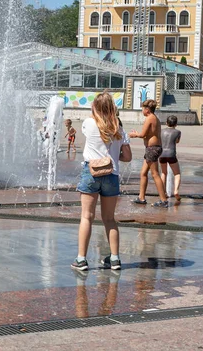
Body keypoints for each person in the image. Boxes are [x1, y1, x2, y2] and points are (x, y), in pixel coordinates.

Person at [72, 91, 132, 271]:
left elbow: (94, 119)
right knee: (109, 219)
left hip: (91, 173)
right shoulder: (119, 128)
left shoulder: (89, 123)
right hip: (111, 174)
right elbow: (128, 157)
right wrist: (113, 156)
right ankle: (114, 259)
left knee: (86, 217)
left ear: (95, 107)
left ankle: (81, 260)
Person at [129, 99, 169, 207]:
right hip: (152, 148)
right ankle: (141, 198)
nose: (142, 111)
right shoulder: (154, 118)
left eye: (142, 108)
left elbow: (142, 134)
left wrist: (135, 134)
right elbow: (148, 135)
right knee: (143, 173)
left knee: (155, 174)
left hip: (153, 148)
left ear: (147, 110)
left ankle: (163, 200)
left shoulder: (149, 118)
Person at [159, 115, 182, 201]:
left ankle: (163, 192)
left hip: (162, 154)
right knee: (177, 174)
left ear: (166, 123)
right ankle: (175, 190)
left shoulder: (161, 131)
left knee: (164, 173)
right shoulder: (178, 132)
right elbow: (177, 141)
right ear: (176, 124)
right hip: (171, 154)